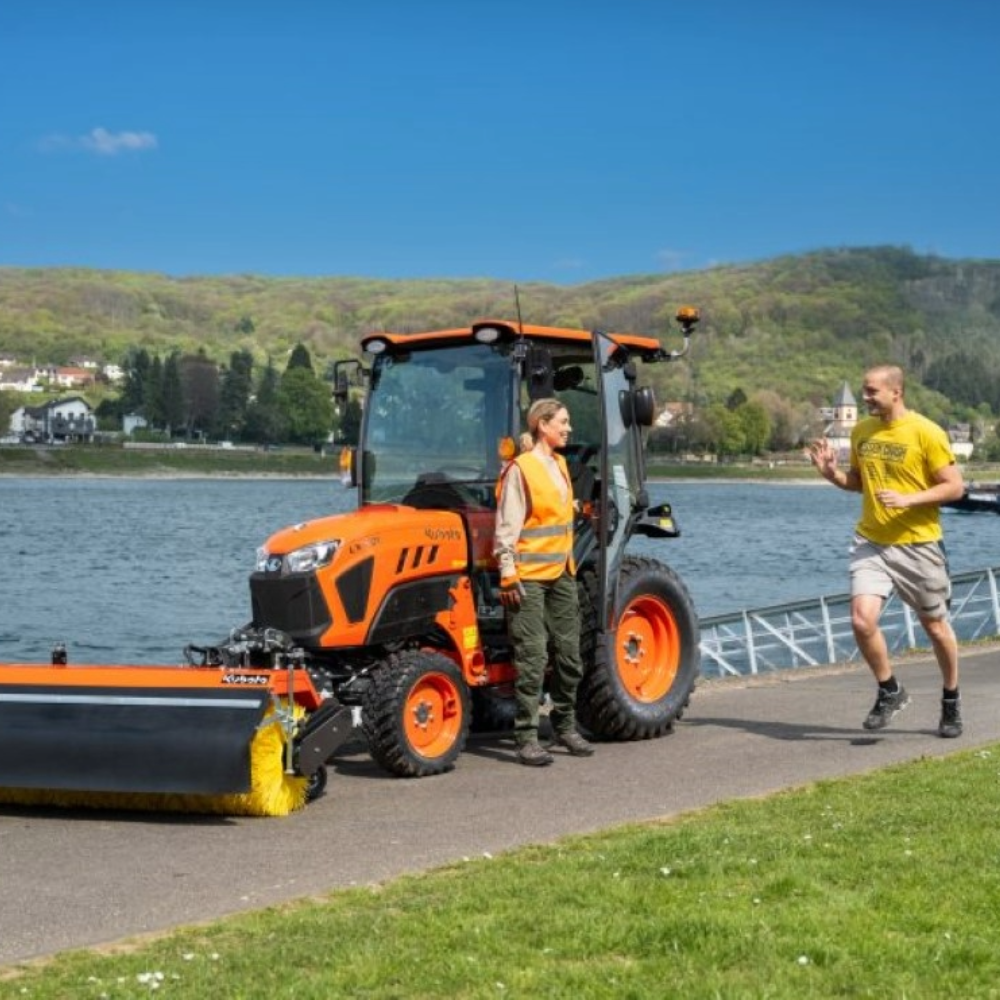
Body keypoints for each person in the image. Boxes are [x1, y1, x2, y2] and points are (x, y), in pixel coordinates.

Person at [808, 365, 966, 737]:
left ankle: (951, 699)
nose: (865, 398)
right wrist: (831, 474)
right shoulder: (863, 431)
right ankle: (889, 690)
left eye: (871, 391)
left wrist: (909, 499)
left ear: (896, 392)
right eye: (863, 391)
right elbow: (858, 482)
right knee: (862, 620)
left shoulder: (927, 432)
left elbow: (955, 487)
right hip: (872, 542)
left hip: (919, 546)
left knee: (935, 627)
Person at [494, 398, 595, 766]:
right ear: (542, 425)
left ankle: (564, 726)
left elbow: (556, 514)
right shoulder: (520, 470)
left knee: (569, 656)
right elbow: (507, 527)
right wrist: (508, 574)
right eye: (563, 422)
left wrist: (583, 511)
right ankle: (526, 737)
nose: (569, 428)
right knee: (533, 658)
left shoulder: (561, 464)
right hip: (527, 579)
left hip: (562, 573)